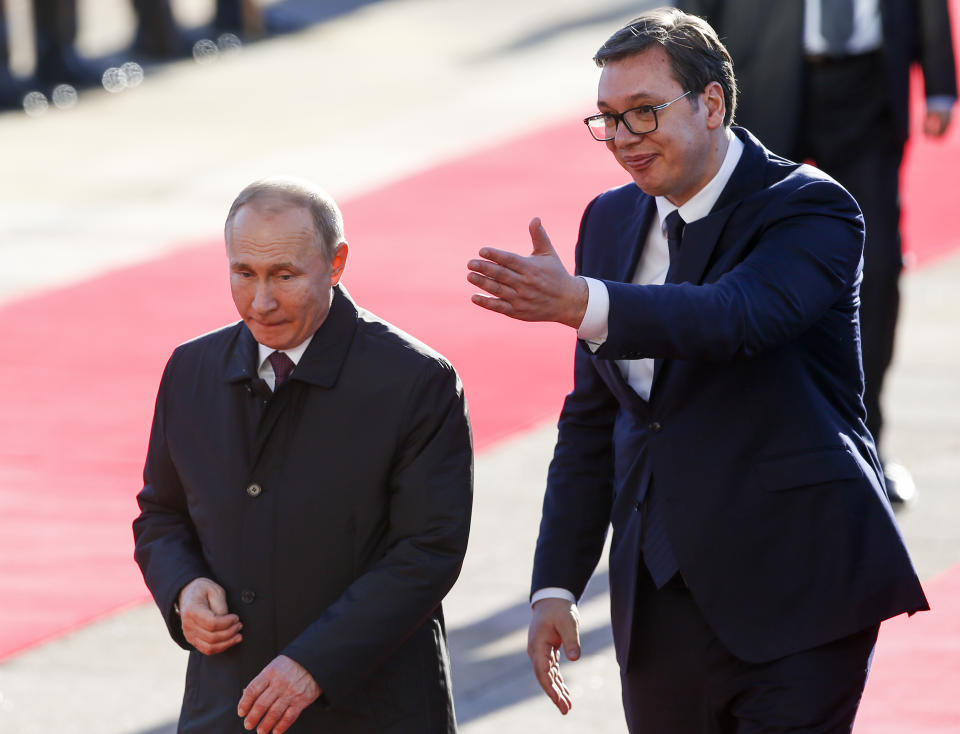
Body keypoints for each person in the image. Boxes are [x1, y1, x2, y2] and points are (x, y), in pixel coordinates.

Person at [466, 9, 927, 733]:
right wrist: (553, 586)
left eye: (643, 113)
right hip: (659, 600)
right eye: (607, 119)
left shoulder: (811, 208)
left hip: (798, 590)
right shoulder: (610, 221)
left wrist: (584, 301)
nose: (622, 139)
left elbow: (734, 318)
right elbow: (593, 421)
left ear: (711, 103)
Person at [134, 177, 473, 733]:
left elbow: (428, 551)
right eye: (243, 274)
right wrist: (182, 589)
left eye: (284, 276)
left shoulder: (416, 381)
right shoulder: (190, 370)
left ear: (336, 264)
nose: (261, 302)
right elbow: (161, 514)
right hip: (228, 708)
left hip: (374, 711)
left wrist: (315, 663)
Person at [681, 0, 958, 503]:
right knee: (742, 263)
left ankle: (865, 441)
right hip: (762, 73)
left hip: (868, 89)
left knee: (876, 272)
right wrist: (680, 73)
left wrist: (940, 81)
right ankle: (746, 442)